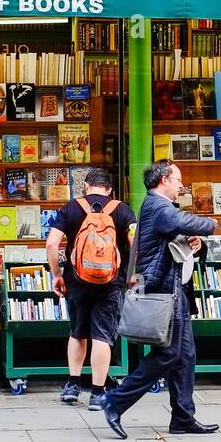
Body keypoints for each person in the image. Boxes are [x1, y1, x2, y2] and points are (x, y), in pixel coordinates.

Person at [100, 160, 220, 439]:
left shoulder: (162, 209)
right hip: (165, 292)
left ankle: (182, 417)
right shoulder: (157, 205)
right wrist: (209, 224)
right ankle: (115, 401)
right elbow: (179, 222)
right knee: (168, 353)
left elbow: (177, 239)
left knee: (185, 355)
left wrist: (198, 244)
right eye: (178, 180)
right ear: (164, 179)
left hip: (176, 291)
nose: (182, 185)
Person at [45, 167, 136, 411]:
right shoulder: (123, 209)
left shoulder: (72, 208)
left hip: (76, 281)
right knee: (102, 336)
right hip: (111, 282)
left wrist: (56, 275)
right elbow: (135, 243)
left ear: (85, 185)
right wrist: (132, 274)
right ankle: (97, 393)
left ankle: (73, 386)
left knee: (77, 332)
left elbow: (52, 244)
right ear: (110, 189)